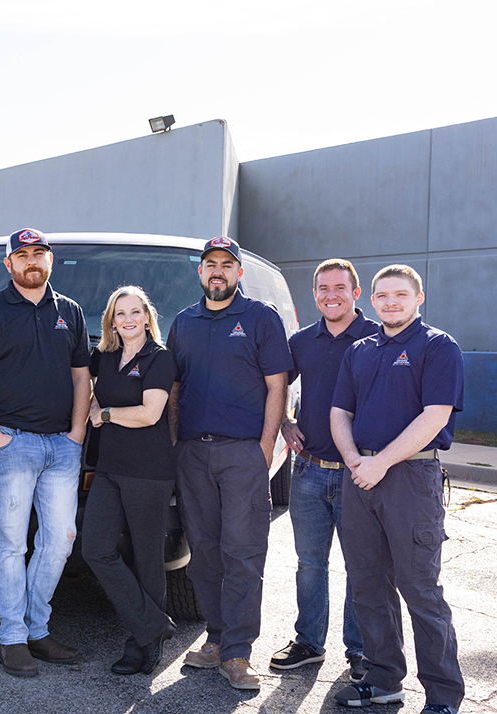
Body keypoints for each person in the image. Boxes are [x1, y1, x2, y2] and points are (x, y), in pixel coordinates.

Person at [330, 264, 465, 714]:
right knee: (366, 582)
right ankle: (385, 677)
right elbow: (339, 411)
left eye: (400, 295)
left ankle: (445, 696)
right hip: (360, 476)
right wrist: (353, 460)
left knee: (419, 588)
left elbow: (435, 416)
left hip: (410, 477)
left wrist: (381, 461)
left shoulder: (438, 346)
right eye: (382, 295)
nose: (390, 303)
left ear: (418, 297)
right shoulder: (360, 351)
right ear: (372, 299)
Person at [0, 228, 91, 678]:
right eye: (23, 255)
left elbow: (81, 378)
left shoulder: (69, 312)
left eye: (39, 254)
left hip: (61, 447)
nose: (32, 261)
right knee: (12, 545)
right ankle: (12, 637)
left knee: (59, 542)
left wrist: (75, 434)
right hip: (12, 444)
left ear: (49, 260)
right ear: (9, 265)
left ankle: (38, 629)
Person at [167, 236, 292, 690]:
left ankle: (239, 653)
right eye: (209, 264)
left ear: (239, 272)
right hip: (194, 453)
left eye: (226, 264)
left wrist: (263, 447)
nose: (217, 271)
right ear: (200, 273)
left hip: (243, 453)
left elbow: (277, 385)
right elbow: (175, 390)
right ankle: (216, 640)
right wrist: (177, 443)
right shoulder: (183, 322)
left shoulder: (260, 318)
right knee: (204, 553)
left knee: (242, 553)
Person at [270, 259, 378, 680]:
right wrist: (284, 423)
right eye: (322, 288)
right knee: (309, 563)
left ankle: (361, 650)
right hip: (309, 470)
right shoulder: (301, 341)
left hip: (360, 474)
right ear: (313, 294)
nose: (330, 295)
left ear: (355, 293)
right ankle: (309, 642)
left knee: (360, 565)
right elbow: (275, 386)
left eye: (339, 287)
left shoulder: (376, 337)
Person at [82, 286, 177, 675]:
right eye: (119, 314)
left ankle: (143, 644)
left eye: (134, 312)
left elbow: (150, 413)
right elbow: (85, 389)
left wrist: (105, 414)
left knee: (147, 557)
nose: (127, 320)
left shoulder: (160, 358)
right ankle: (153, 625)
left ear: (147, 316)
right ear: (111, 320)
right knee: (95, 548)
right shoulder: (103, 356)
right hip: (108, 467)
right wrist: (92, 407)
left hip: (148, 471)